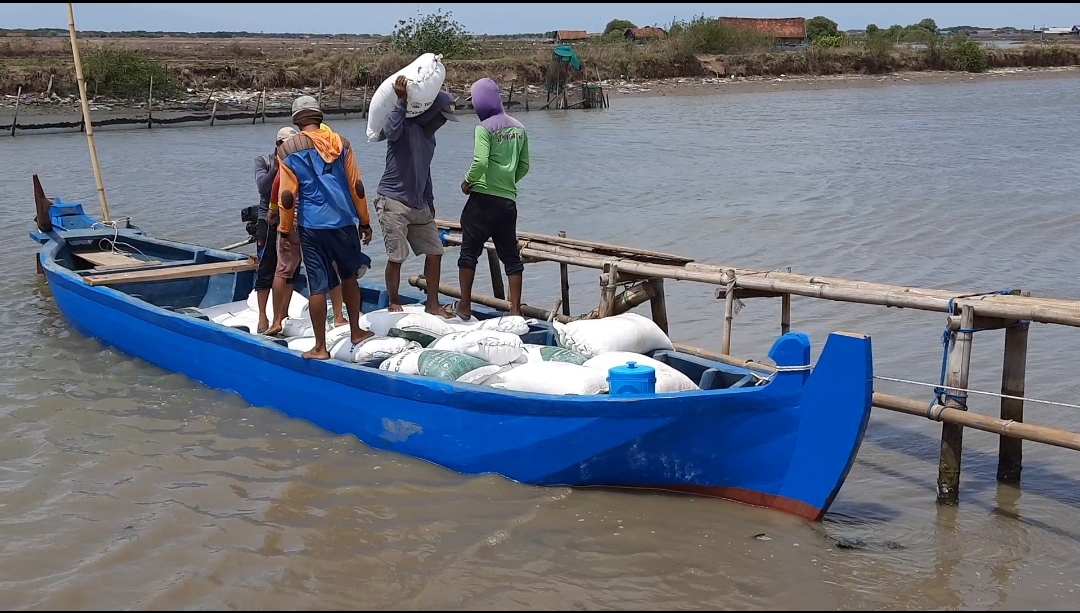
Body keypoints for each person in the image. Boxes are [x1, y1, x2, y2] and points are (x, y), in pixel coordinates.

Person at [276, 95, 374, 359]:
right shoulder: (342, 143)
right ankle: (356, 331)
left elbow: (286, 197)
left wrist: (285, 230)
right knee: (349, 276)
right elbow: (357, 186)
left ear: (297, 120)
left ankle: (320, 347)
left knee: (317, 285)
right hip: (344, 222)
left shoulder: (287, 150)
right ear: (319, 116)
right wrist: (365, 221)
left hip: (312, 226)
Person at [374, 76, 458, 316]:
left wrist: (429, 200)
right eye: (441, 117)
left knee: (435, 252)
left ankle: (433, 304)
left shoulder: (430, 139)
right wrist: (401, 101)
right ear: (430, 113)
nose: (442, 123)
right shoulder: (405, 127)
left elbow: (425, 169)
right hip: (393, 201)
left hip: (419, 203)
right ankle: (393, 300)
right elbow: (389, 131)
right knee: (397, 257)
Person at [453, 77, 530, 320]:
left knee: (469, 253)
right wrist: (507, 183)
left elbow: (480, 162)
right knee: (510, 257)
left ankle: (464, 306)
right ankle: (515, 310)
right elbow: (524, 166)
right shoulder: (519, 128)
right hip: (507, 203)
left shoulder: (484, 128)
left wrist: (467, 181)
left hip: (482, 200)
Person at [253, 126, 297, 333]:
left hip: (292, 222)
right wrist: (278, 166)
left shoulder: (299, 162)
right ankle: (263, 316)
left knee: (290, 270)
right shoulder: (264, 161)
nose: (287, 148)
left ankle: (283, 315)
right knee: (266, 269)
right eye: (283, 144)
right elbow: (263, 187)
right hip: (268, 222)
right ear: (277, 144)